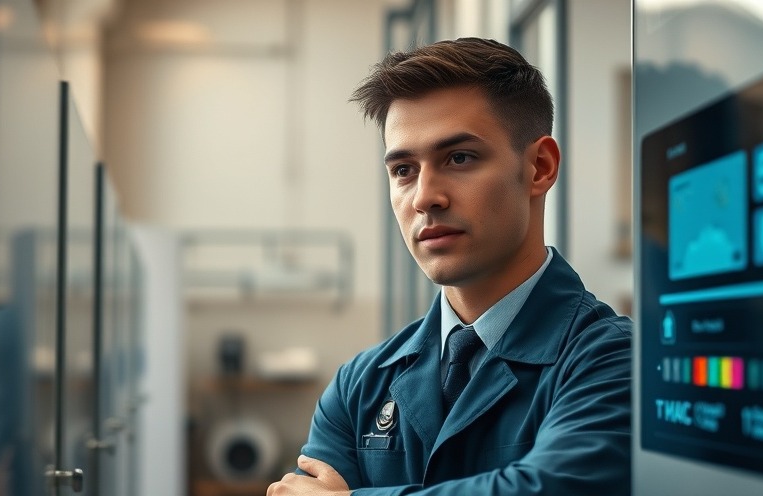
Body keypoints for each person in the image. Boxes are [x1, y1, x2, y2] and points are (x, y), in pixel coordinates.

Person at [266, 37, 631, 496]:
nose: (424, 198)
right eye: (403, 170)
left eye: (459, 158)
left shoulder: (613, 361)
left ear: (539, 167)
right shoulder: (360, 384)